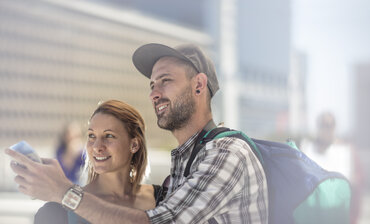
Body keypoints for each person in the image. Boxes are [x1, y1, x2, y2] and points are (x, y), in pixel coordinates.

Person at [6, 43, 268, 224]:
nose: (154, 93)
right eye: (152, 84)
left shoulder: (227, 155)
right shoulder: (185, 164)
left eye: (166, 80)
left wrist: (64, 192)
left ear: (199, 85)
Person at [34, 100, 160, 224]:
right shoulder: (54, 213)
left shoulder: (162, 198)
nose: (96, 146)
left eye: (109, 136)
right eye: (91, 136)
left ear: (134, 144)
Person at [301, 111, 365, 224]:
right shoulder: (307, 149)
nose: (327, 129)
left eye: (330, 125)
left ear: (334, 127)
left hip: (338, 215)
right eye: (323, 125)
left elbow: (356, 184)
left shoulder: (346, 151)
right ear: (318, 126)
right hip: (313, 215)